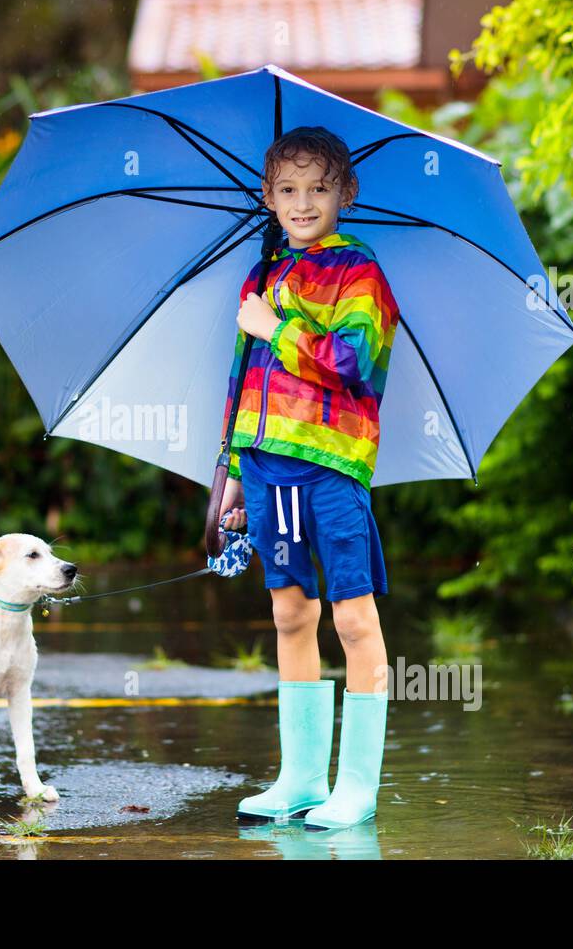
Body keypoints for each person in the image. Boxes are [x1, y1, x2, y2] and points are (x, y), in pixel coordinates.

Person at [217, 125, 400, 831]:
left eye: (318, 189)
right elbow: (240, 382)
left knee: (353, 617)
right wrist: (234, 470)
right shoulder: (259, 278)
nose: (302, 203)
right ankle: (298, 777)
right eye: (288, 190)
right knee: (291, 612)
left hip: (331, 467)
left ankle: (354, 786)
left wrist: (276, 328)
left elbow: (355, 363)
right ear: (267, 197)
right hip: (266, 468)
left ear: (345, 194)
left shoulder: (361, 275)